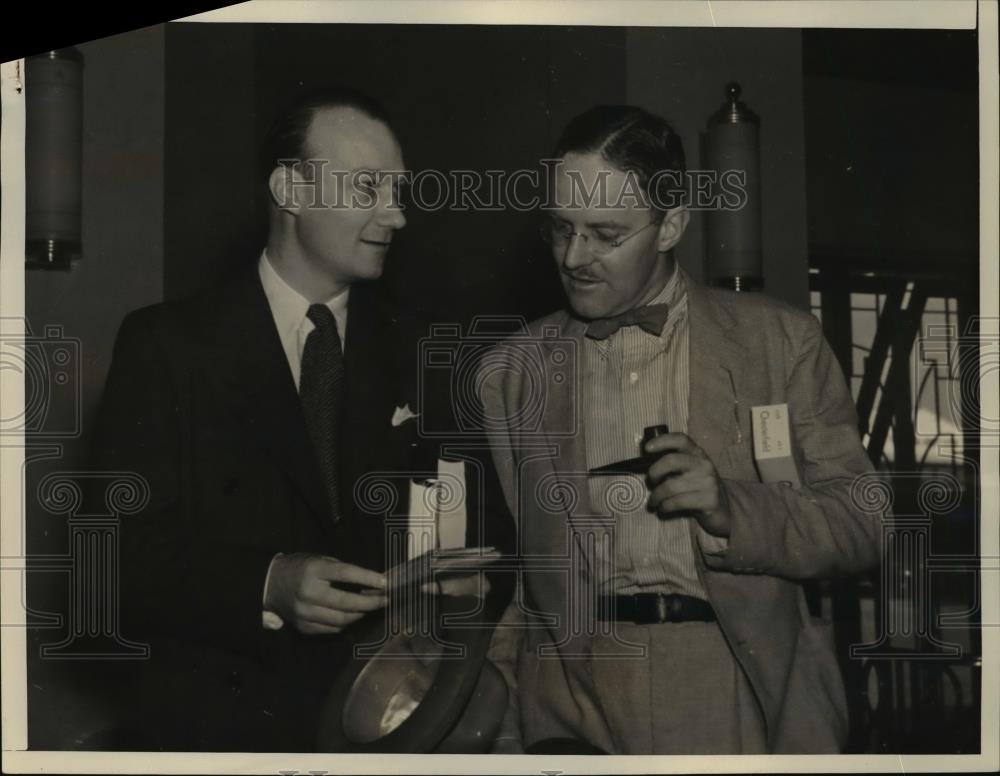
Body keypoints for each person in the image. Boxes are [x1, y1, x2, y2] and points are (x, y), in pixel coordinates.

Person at [89, 87, 510, 751]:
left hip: (388, 724)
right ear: (290, 187)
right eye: (368, 187)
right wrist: (267, 582)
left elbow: (486, 522)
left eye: (398, 190)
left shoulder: (429, 351)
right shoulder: (168, 345)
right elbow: (111, 559)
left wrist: (472, 579)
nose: (396, 215)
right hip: (220, 732)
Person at [479, 105, 882, 754]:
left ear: (671, 225)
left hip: (738, 684)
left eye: (605, 234)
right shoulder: (510, 374)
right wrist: (503, 729)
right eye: (560, 229)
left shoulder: (778, 342)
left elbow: (866, 520)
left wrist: (734, 508)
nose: (574, 257)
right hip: (570, 701)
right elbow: (519, 578)